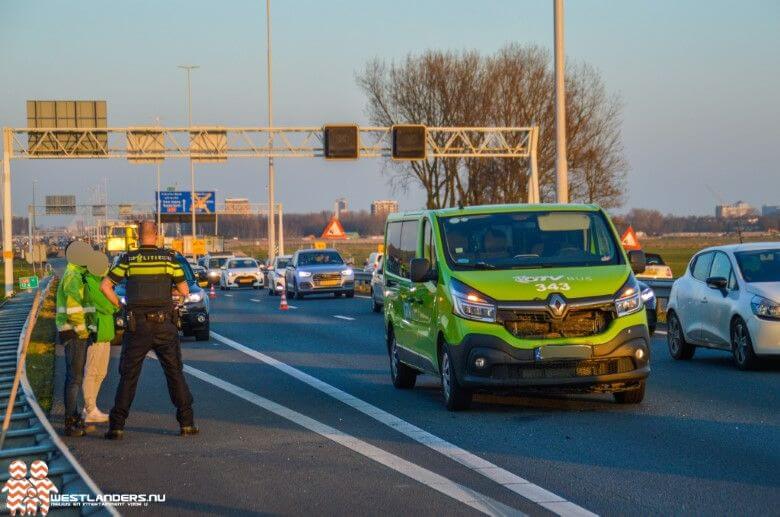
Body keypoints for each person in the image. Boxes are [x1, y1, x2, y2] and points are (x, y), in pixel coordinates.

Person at [100, 220, 198, 439]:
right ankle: (187, 423)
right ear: (157, 235)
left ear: (138, 236)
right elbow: (184, 289)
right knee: (174, 373)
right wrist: (170, 293)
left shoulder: (129, 259)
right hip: (165, 325)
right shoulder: (169, 259)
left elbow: (105, 286)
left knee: (128, 376)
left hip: (137, 326)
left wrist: (120, 305)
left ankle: (116, 426)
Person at [55, 241, 95, 437]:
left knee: (75, 378)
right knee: (74, 378)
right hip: (74, 332)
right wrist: (83, 330)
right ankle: (70, 421)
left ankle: (74, 416)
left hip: (76, 331)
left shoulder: (77, 274)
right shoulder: (73, 276)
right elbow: (73, 309)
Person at [82, 252, 116, 424]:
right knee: (92, 370)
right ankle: (89, 408)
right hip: (97, 331)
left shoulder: (100, 281)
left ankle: (90, 406)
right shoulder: (90, 282)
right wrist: (116, 304)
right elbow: (105, 306)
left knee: (101, 372)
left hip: (106, 332)